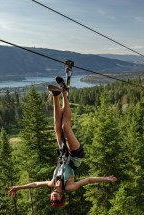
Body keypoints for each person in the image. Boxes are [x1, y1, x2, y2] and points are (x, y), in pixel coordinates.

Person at [8, 76, 117, 206]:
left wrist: (18, 187)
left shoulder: (52, 183)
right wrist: (106, 179)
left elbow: (35, 184)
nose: (53, 197)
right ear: (61, 197)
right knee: (65, 126)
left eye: (52, 199)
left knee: (57, 128)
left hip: (63, 154)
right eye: (56, 200)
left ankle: (55, 95)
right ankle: (64, 94)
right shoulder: (69, 186)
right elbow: (88, 180)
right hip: (76, 157)